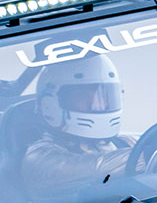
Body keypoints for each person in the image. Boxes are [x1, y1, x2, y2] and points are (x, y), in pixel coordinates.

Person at [19, 54, 135, 195]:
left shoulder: (123, 142)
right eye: (84, 97)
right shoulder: (38, 159)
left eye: (106, 97)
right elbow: (97, 169)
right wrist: (153, 154)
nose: (99, 105)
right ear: (49, 104)